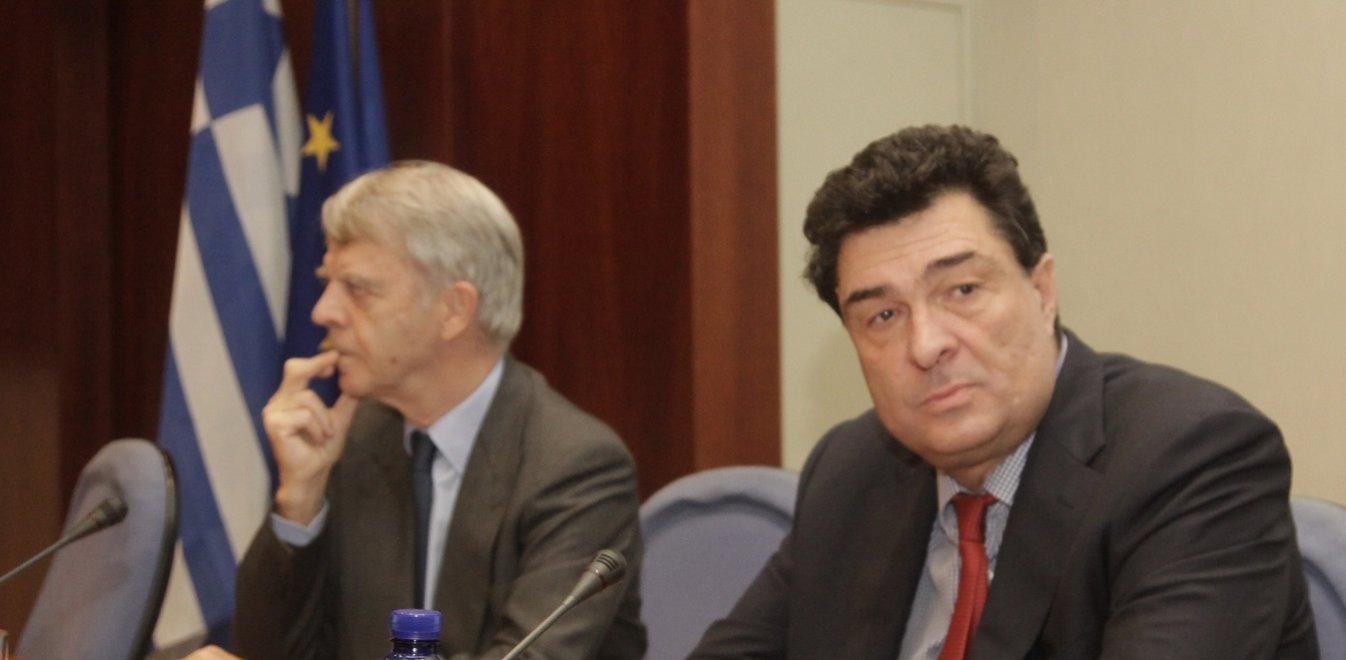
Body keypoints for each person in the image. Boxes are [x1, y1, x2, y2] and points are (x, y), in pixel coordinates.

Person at [689, 125, 1318, 658]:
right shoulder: (852, 471)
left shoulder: (1192, 459)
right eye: (882, 316)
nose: (926, 345)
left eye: (962, 290)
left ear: (1042, 292)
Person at [229, 160, 646, 660]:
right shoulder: (352, 440)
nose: (323, 311)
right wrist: (300, 501)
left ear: (453, 310)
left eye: (358, 289)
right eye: (328, 283)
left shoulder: (575, 467)